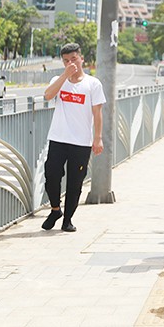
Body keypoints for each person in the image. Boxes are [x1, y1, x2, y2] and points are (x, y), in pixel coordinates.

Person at [41, 43, 105, 233]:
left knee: (75, 182)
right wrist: (65, 75)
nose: (71, 63)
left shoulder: (93, 84)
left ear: (82, 59)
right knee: (52, 176)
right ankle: (55, 209)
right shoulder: (58, 80)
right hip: (58, 138)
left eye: (74, 59)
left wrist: (98, 138)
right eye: (66, 61)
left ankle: (67, 219)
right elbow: (47, 95)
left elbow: (98, 113)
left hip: (81, 142)